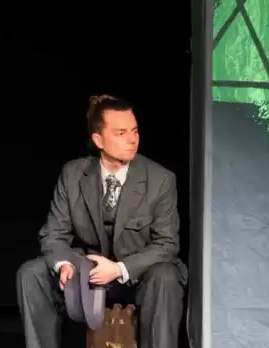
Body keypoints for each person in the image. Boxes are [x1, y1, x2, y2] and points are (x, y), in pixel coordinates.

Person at [16, 94, 187, 348]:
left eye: (135, 131)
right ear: (98, 140)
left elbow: (167, 244)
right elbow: (53, 234)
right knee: (32, 273)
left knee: (166, 276)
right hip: (87, 273)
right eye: (120, 133)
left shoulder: (160, 179)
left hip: (137, 275)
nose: (132, 139)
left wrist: (118, 269)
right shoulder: (73, 174)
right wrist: (64, 264)